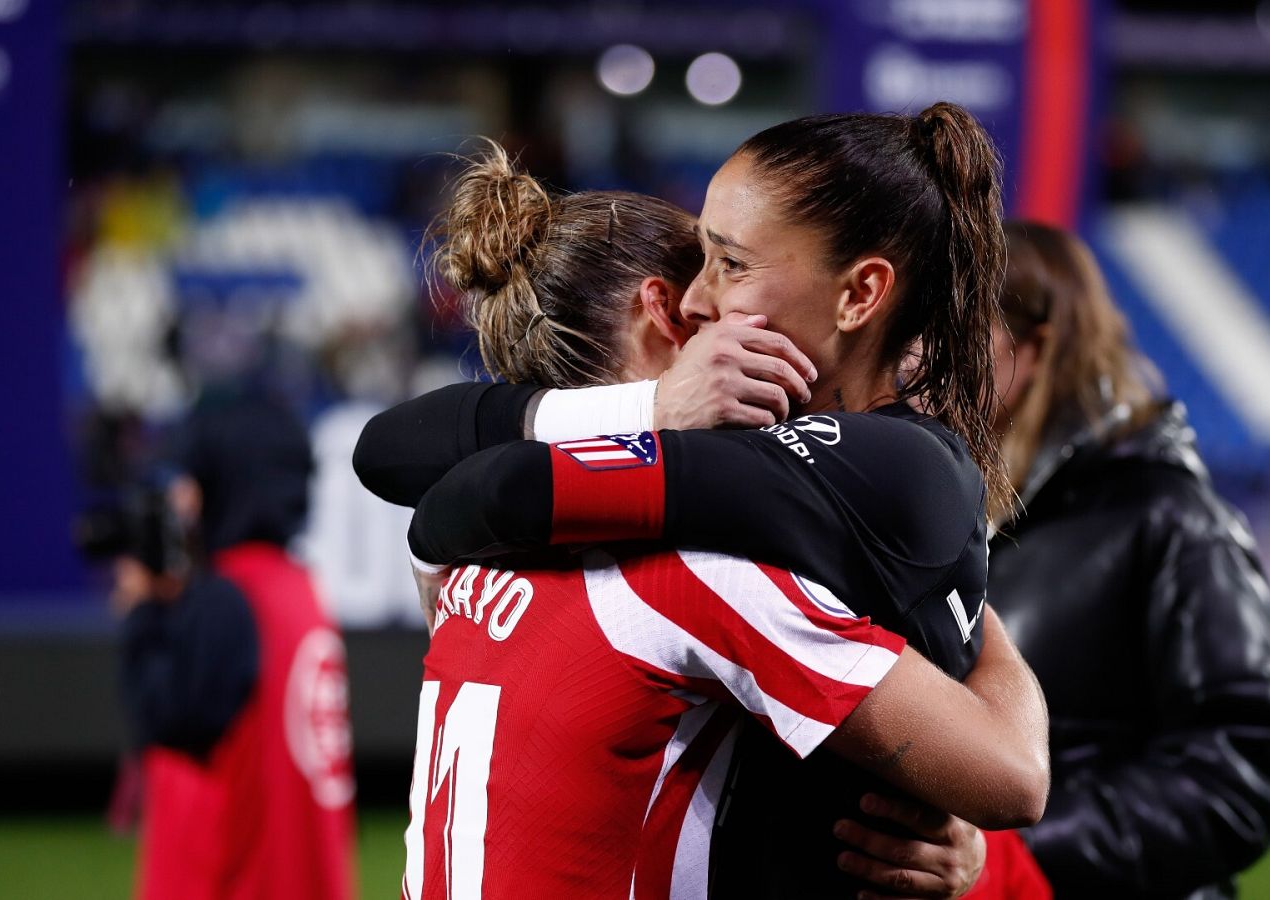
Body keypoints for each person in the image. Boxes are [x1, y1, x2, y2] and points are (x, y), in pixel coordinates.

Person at [358, 110, 1035, 899]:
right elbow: (1011, 776)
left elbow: (459, 487)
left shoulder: (475, 568)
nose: (703, 300)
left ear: (860, 295)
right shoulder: (703, 573)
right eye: (700, 266)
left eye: (730, 264)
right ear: (660, 310)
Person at [973, 222, 1270, 898]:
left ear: (1034, 348)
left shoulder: (1171, 516)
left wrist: (1008, 857)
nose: (923, 359)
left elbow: (1238, 774)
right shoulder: (952, 515)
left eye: (958, 331)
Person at [118, 390, 355, 900]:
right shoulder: (299, 590)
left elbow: (164, 716)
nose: (184, 502)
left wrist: (143, 612)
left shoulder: (228, 597)